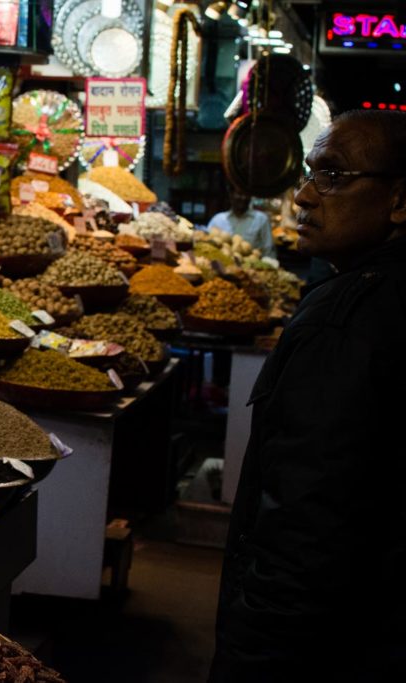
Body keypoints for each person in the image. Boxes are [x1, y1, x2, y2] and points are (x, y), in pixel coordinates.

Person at [210, 109, 406, 681]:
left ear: (399, 201)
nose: (303, 196)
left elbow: (304, 518)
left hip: (326, 645)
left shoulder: (343, 323)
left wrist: (252, 657)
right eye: (310, 173)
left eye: (334, 176)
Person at [207, 188, 277, 259]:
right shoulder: (218, 219)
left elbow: (268, 249)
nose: (243, 198)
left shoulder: (261, 219)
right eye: (239, 194)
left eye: (247, 194)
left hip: (251, 267)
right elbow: (206, 244)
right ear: (231, 195)